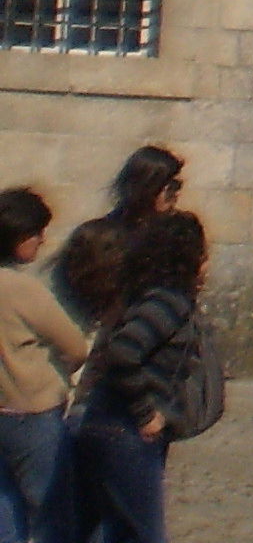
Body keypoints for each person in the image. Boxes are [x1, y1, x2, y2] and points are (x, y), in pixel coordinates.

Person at [72, 211, 211, 543]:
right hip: (125, 430)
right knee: (141, 535)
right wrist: (145, 412)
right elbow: (123, 351)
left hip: (106, 424)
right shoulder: (166, 301)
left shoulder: (146, 296)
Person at [0, 188, 90, 543]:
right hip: (32, 411)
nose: (42, 240)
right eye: (37, 233)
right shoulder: (24, 289)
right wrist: (60, 372)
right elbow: (75, 346)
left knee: (5, 507)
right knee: (51, 511)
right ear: (19, 237)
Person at [51, 148, 182, 327]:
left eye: (177, 186)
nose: (176, 195)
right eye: (171, 187)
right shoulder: (98, 236)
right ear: (148, 187)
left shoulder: (171, 237)